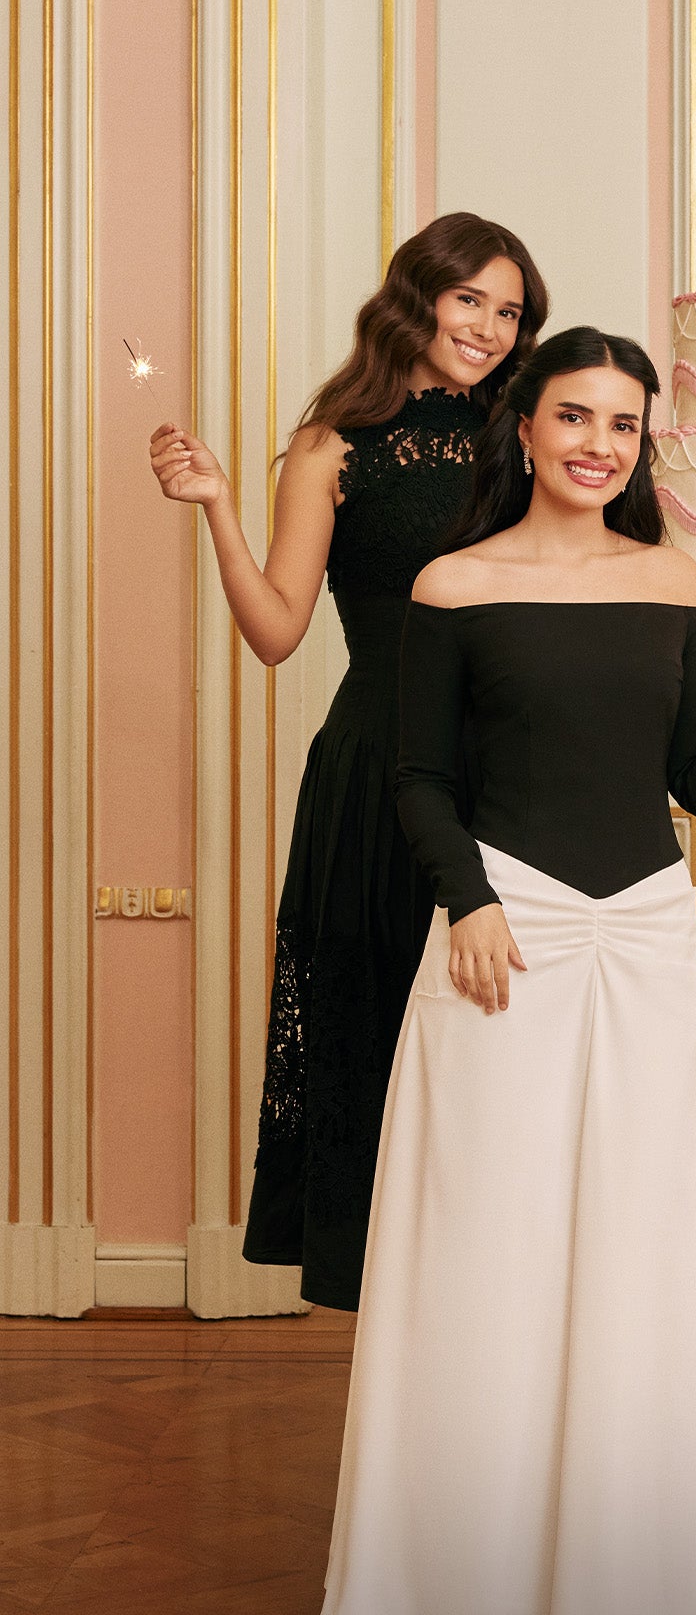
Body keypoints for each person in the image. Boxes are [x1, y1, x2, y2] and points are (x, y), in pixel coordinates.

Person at [317, 325, 696, 1615]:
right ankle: (464, 1587)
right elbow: (419, 776)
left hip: (646, 931)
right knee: (487, 1240)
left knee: (634, 1242)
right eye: (573, 417)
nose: (597, 445)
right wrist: (468, 903)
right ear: (526, 427)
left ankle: (616, 1577)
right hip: (508, 929)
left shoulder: (671, 578)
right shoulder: (453, 584)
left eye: (622, 424)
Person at [150, 213, 548, 1309]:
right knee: (378, 1028)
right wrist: (219, 507)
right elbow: (277, 630)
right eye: (470, 300)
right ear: (416, 298)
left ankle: (509, 1302)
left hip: (511, 768)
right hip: (377, 770)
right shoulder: (331, 446)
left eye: (509, 311)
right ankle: (404, 1325)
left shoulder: (529, 437)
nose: (489, 327)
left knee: (508, 1035)